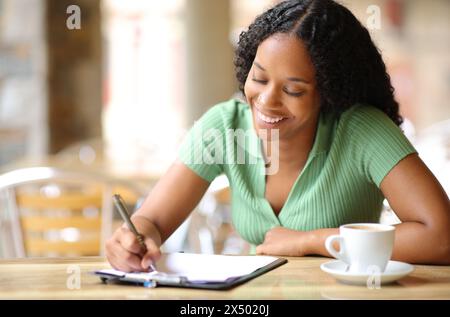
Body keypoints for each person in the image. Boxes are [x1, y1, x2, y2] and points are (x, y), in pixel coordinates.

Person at [106, 0, 450, 272]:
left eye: (293, 90)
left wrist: (310, 241)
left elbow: (441, 237)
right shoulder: (225, 127)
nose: (267, 100)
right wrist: (132, 239)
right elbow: (151, 220)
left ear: (328, 93)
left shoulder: (362, 130)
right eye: (259, 78)